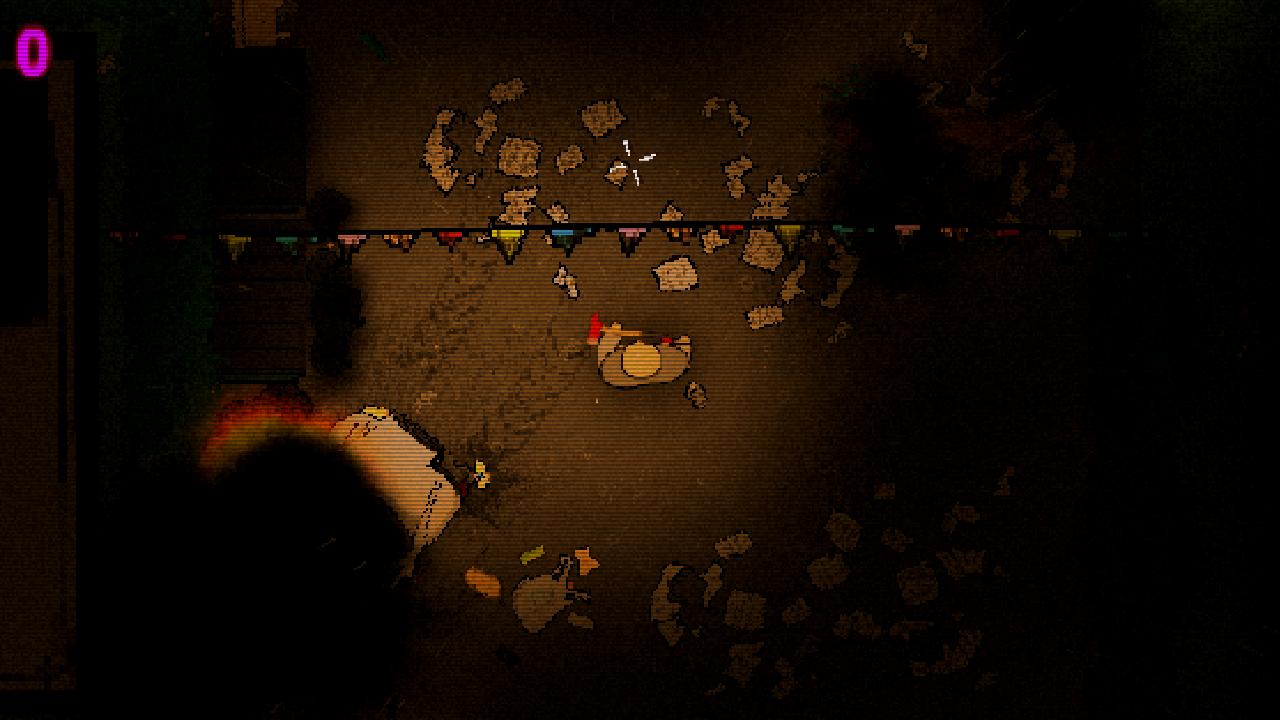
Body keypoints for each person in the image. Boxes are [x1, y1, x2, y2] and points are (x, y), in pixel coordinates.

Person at [595, 322, 692, 388]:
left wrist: (611, 336)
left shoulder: (609, 373)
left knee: (604, 356)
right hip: (667, 362)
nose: (638, 341)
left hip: (616, 376)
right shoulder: (676, 367)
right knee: (682, 351)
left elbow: (604, 354)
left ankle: (611, 337)